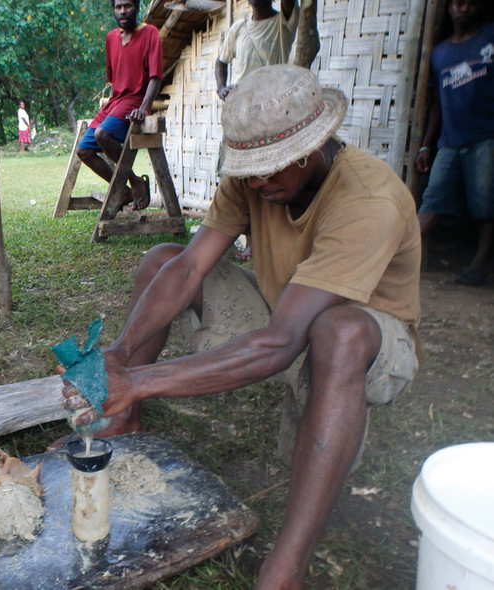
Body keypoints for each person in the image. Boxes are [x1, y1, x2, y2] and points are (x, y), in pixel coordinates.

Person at [62, 65, 421, 589]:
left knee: (337, 332)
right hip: (288, 314)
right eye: (249, 168)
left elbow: (279, 345)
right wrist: (118, 357)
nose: (256, 181)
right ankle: (120, 420)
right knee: (162, 258)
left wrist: (140, 379)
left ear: (312, 148)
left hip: (369, 342)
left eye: (271, 169)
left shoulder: (368, 197)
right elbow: (188, 269)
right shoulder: (252, 179)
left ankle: (288, 566)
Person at [414, 0, 494, 286]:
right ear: (448, 9)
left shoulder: (490, 37)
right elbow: (437, 103)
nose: (463, 9)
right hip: (449, 140)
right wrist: (426, 145)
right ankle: (395, 254)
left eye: (471, 4)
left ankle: (478, 264)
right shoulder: (440, 53)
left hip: (486, 135)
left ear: (480, 9)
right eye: (458, 3)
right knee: (433, 198)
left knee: (485, 203)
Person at [215, 0, 299, 262]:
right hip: (240, 113)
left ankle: (261, 241)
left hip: (270, 112)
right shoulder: (238, 28)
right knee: (234, 174)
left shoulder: (283, 22)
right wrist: (222, 88)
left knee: (265, 175)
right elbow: (221, 62)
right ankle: (238, 237)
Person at [75, 0, 163, 211]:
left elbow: (155, 77)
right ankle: (125, 190)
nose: (123, 11)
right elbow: (115, 79)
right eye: (118, 7)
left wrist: (144, 107)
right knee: (84, 150)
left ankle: (135, 181)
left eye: (128, 6)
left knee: (102, 135)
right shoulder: (111, 38)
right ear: (113, 9)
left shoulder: (150, 33)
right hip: (115, 102)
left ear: (137, 6)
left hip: (135, 102)